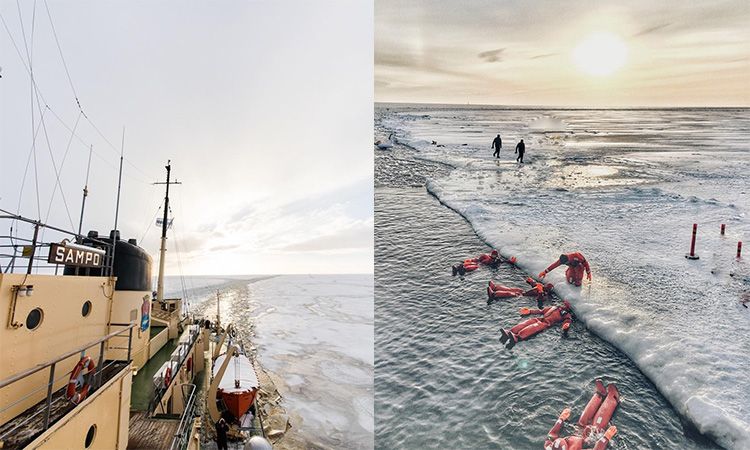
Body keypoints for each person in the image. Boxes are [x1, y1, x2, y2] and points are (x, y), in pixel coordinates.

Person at [544, 380, 620, 450]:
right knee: (596, 427)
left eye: (565, 440)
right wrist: (606, 438)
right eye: (566, 443)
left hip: (578, 433)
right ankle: (613, 397)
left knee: (582, 421)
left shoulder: (549, 447)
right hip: (587, 442)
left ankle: (600, 394)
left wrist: (561, 418)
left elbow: (551, 435)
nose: (566, 440)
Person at [499, 300, 573, 349]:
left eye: (568, 304)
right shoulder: (554, 307)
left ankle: (517, 337)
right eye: (566, 303)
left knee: (533, 327)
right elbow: (541, 311)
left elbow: (567, 321)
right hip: (540, 319)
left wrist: (566, 326)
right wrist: (530, 311)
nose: (565, 304)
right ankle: (510, 332)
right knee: (528, 322)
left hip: (546, 324)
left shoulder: (566, 315)